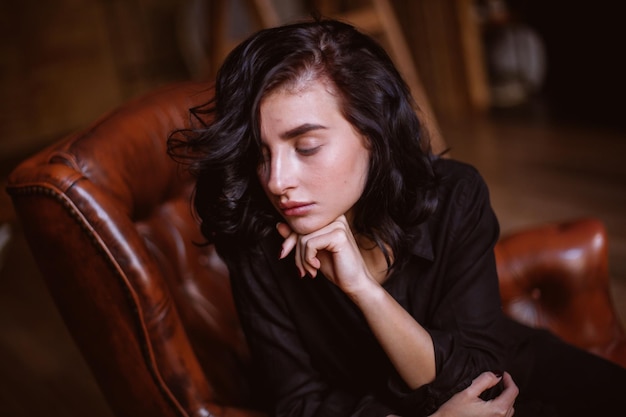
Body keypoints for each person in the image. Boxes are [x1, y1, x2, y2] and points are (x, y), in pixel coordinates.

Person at [168, 18, 626, 417]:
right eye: (261, 153)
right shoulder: (257, 233)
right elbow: (298, 403)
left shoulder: (455, 195)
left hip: (513, 378)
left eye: (306, 147)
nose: (276, 180)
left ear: (373, 133)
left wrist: (365, 292)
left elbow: (478, 380)